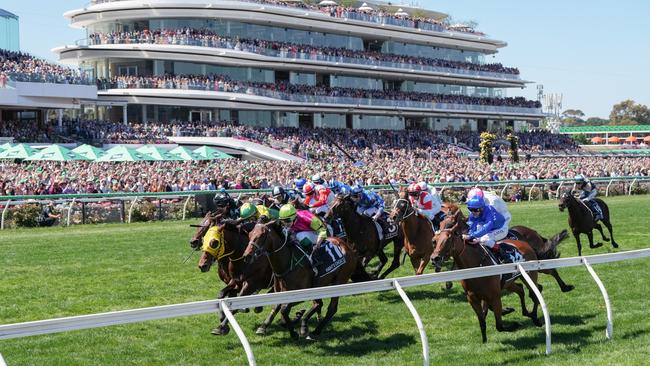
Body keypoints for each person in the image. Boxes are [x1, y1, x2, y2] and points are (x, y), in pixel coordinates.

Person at [463, 196, 516, 263]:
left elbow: (487, 227)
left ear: (482, 208)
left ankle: (505, 256)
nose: (473, 212)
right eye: (471, 209)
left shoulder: (489, 210)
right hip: (490, 228)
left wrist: (472, 236)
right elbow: (472, 226)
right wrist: (470, 234)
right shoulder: (473, 214)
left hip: (501, 228)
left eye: (476, 210)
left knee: (484, 239)